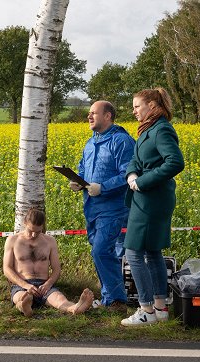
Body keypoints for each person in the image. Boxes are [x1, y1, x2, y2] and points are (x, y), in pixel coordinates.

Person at [121, 88, 185, 327]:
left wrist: (142, 182)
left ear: (151, 105)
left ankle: (145, 309)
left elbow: (176, 162)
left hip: (151, 200)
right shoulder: (148, 129)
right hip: (147, 198)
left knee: (133, 253)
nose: (134, 110)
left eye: (137, 106)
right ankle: (160, 308)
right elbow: (136, 159)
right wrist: (131, 174)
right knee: (152, 252)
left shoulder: (162, 129)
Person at [68, 100, 135, 315]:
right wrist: (78, 181)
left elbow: (129, 174)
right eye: (88, 113)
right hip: (92, 207)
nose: (89, 116)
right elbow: (82, 167)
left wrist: (103, 187)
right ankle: (108, 298)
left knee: (100, 251)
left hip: (113, 208)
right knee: (102, 252)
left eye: (93, 113)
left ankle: (117, 300)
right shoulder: (91, 142)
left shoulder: (121, 141)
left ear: (107, 116)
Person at [3, 209, 94, 317]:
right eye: (30, 230)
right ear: (25, 223)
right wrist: (25, 285)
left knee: (59, 299)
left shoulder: (50, 241)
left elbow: (56, 269)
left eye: (37, 231)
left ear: (42, 226)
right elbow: (7, 268)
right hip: (22, 284)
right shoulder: (13, 240)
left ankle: (75, 307)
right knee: (22, 297)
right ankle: (24, 306)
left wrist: (48, 284)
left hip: (44, 285)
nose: (33, 235)